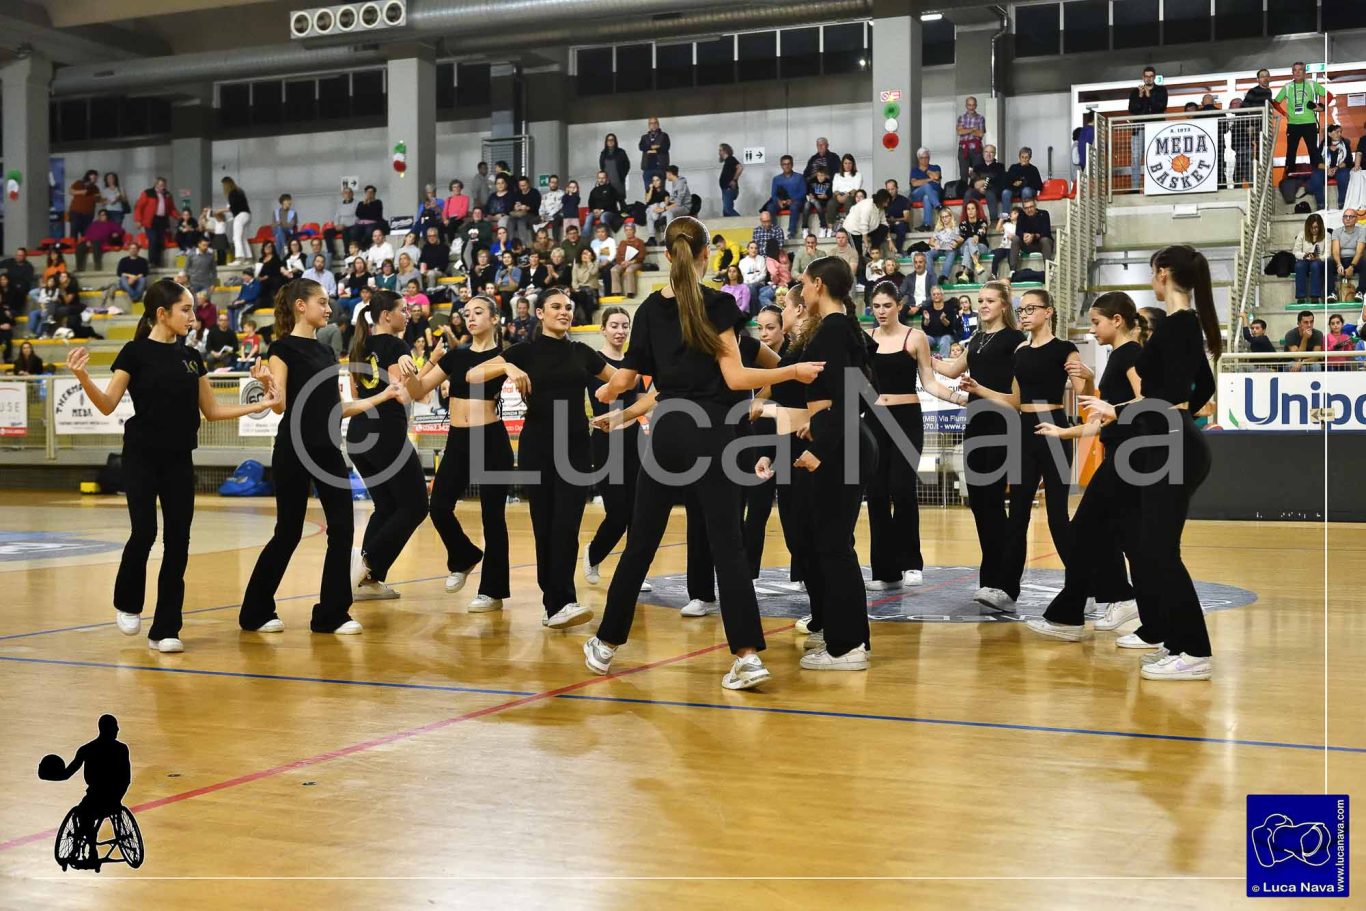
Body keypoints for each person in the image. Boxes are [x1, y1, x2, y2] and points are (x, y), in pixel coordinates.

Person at [584, 216, 823, 689]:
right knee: (728, 546)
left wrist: (608, 394)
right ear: (704, 255)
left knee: (641, 542)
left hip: (669, 432)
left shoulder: (649, 309)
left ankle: (606, 644)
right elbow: (736, 379)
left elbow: (625, 380)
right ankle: (747, 656)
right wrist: (791, 373)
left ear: (667, 253)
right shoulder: (718, 303)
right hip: (715, 432)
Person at [1028, 245, 1219, 681]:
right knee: (1151, 548)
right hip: (1166, 440)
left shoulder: (1178, 325)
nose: (1152, 280)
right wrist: (1163, 413)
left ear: (1163, 273)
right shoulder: (1183, 324)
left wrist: (1119, 411)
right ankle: (1174, 641)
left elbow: (1166, 395)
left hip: (1169, 444)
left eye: (1153, 272)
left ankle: (1194, 651)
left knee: (1160, 551)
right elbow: (1199, 389)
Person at [67, 279, 275, 651]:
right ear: (162, 314)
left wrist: (258, 405)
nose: (193, 318)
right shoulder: (134, 352)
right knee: (144, 532)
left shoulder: (192, 356)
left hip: (179, 459)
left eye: (193, 310)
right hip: (141, 457)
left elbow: (211, 411)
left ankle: (165, 629)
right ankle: (128, 602)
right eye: (186, 310)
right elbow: (108, 404)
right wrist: (83, 377)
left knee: (178, 541)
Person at [240, 278, 402, 636]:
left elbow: (337, 408)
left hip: (328, 450)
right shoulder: (281, 349)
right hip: (294, 449)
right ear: (301, 305)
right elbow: (279, 405)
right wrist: (266, 383)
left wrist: (383, 396)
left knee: (343, 529)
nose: (329, 309)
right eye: (323, 302)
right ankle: (255, 611)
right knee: (288, 532)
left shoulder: (327, 352)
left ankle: (332, 614)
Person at [463, 288, 614, 628]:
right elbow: (472, 375)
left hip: (576, 447)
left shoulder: (581, 352)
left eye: (568, 307)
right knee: (543, 526)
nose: (564, 312)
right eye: (556, 307)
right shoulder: (523, 352)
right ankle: (553, 603)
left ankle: (563, 601)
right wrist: (508, 366)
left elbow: (619, 380)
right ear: (540, 313)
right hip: (538, 446)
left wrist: (616, 401)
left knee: (567, 526)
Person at [959, 288, 1089, 610]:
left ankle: (1082, 586)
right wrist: (980, 389)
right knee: (1017, 516)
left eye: (1032, 309)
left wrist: (1088, 376)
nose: (1025, 314)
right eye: (1022, 310)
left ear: (1048, 311)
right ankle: (1006, 591)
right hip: (1023, 432)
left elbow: (1083, 390)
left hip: (1054, 429)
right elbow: (1015, 400)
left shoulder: (1065, 349)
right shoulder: (1020, 352)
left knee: (1058, 516)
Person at [1030, 292, 1144, 633]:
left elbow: (1148, 400)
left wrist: (1115, 409)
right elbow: (1101, 419)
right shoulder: (1118, 356)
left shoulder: (1131, 354)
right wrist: (1064, 432)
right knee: (1107, 534)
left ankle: (1074, 615)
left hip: (1129, 456)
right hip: (1119, 453)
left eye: (1096, 322)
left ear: (1117, 320)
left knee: (1083, 531)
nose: (1092, 330)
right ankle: (1120, 599)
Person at [402, 298, 514, 611]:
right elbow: (417, 391)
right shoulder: (456, 355)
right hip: (458, 439)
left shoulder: (504, 355)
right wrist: (413, 368)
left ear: (494, 318)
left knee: (493, 517)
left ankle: (492, 592)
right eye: (467, 314)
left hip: (491, 438)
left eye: (478, 312)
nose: (471, 318)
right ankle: (464, 556)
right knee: (438, 506)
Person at [929, 281, 1023, 609]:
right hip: (976, 425)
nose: (983, 305)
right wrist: (921, 353)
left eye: (990, 300)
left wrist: (980, 390)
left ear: (1004, 305)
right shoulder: (978, 340)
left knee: (993, 502)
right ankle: (990, 579)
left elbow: (1016, 397)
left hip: (1002, 426)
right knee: (980, 504)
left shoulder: (1015, 340)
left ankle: (1004, 583)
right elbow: (951, 369)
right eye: (980, 300)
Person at [864, 282, 958, 591]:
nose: (881, 311)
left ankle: (911, 563)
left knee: (901, 488)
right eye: (876, 306)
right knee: (876, 493)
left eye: (887, 305)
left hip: (906, 420)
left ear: (899, 306)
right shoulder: (867, 338)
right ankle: (885, 571)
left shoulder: (915, 337)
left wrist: (960, 399)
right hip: (875, 419)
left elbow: (929, 382)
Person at [346, 289, 427, 603]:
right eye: (403, 310)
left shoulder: (359, 346)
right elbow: (407, 395)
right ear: (386, 315)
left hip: (358, 436)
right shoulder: (396, 346)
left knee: (387, 506)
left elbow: (356, 396)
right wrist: (427, 369)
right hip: (386, 435)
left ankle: (368, 580)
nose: (407, 315)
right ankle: (365, 566)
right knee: (416, 506)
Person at [582, 306, 653, 590]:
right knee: (618, 513)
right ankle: (593, 553)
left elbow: (641, 400)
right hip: (604, 442)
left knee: (639, 512)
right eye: (614, 325)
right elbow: (595, 398)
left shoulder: (635, 362)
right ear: (602, 329)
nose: (620, 331)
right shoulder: (593, 361)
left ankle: (634, 574)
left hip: (635, 439)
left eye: (625, 325)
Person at [48, 715, 130, 868]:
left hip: (95, 795)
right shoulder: (121, 749)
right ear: (109, 729)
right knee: (86, 814)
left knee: (83, 815)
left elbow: (66, 774)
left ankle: (90, 847)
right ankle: (90, 848)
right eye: (115, 727)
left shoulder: (87, 749)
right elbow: (126, 779)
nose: (118, 729)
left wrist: (50, 775)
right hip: (112, 795)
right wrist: (118, 798)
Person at [1273, 61, 1332, 175]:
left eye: (1300, 70)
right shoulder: (1287, 86)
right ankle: (1288, 175)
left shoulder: (1311, 84)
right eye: (1295, 70)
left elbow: (1329, 95)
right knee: (1291, 150)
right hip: (1293, 124)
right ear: (1292, 72)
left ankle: (1318, 174)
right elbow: (1275, 102)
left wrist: (1322, 107)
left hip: (1309, 123)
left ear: (1305, 72)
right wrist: (1284, 113)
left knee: (1313, 150)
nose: (1297, 72)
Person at [1127, 66, 1169, 187]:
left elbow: (1161, 107)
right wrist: (1140, 96)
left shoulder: (1161, 90)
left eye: (1151, 76)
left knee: (1155, 157)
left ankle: (1154, 186)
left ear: (1154, 77)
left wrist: (1149, 95)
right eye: (1146, 76)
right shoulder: (1135, 92)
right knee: (1136, 158)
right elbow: (1132, 109)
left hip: (1155, 129)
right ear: (1143, 77)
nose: (1149, 78)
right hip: (1138, 129)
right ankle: (1135, 188)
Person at [133, 177, 175, 268]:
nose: (162, 187)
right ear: (156, 184)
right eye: (160, 185)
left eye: (164, 185)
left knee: (160, 241)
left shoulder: (167, 195)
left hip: (162, 221)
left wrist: (180, 217)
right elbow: (139, 207)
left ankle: (158, 262)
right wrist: (138, 220)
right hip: (150, 221)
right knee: (153, 240)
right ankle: (151, 262)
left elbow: (172, 209)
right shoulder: (148, 193)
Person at [1309, 124, 1352, 211]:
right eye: (1337, 132)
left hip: (1339, 168)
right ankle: (1321, 205)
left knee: (1343, 175)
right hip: (1325, 169)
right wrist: (1327, 169)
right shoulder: (1323, 145)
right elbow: (1317, 162)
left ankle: (1342, 204)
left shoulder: (1345, 144)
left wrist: (1336, 168)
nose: (1339, 134)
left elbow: (1349, 161)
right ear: (1329, 134)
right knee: (1316, 177)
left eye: (1340, 132)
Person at [765, 155, 809, 238]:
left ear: (792, 164)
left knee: (794, 207)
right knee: (770, 207)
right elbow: (773, 194)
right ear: (781, 165)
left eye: (788, 164)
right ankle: (774, 231)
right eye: (784, 164)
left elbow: (803, 192)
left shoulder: (799, 177)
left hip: (796, 202)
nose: (787, 166)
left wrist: (792, 200)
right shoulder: (776, 179)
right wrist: (779, 201)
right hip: (782, 202)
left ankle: (792, 232)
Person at [843, 189, 891, 264]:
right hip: (853, 229)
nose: (886, 205)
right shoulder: (868, 207)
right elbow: (863, 225)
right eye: (886, 202)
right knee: (858, 255)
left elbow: (884, 223)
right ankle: (861, 267)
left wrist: (890, 240)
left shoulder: (880, 208)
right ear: (881, 200)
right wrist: (866, 244)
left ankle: (871, 253)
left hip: (868, 229)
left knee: (883, 228)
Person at [1329, 208, 1364, 303]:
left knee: (1364, 262)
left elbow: (1359, 252)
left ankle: (1360, 291)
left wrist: (1352, 267)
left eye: (1351, 216)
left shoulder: (1362, 231)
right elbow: (1335, 251)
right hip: (1341, 260)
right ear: (1342, 219)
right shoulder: (1336, 232)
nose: (1347, 219)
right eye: (1345, 216)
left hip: (1355, 260)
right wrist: (1339, 264)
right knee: (1328, 262)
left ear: (1356, 219)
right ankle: (1331, 293)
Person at [1010, 198, 1054, 271]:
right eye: (1026, 208)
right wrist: (1024, 235)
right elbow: (1018, 231)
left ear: (1035, 206)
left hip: (1041, 244)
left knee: (1045, 240)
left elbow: (1046, 232)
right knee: (1015, 239)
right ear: (1023, 209)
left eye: (1031, 207)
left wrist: (1033, 236)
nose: (1029, 210)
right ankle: (1012, 271)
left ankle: (1048, 271)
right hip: (1027, 244)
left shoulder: (1044, 214)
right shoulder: (1021, 215)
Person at [217, 177, 252, 266]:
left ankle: (239, 258)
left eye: (223, 185)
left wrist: (220, 210)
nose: (223, 187)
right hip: (247, 215)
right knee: (243, 237)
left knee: (236, 237)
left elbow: (232, 207)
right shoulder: (239, 191)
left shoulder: (232, 193)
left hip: (240, 216)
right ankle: (248, 258)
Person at [926, 207, 963, 288]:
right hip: (940, 248)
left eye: (946, 216)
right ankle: (930, 276)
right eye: (942, 217)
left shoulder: (955, 228)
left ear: (950, 217)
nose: (944, 219)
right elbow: (930, 242)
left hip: (950, 249)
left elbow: (960, 239)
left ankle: (943, 276)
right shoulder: (939, 229)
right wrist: (935, 245)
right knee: (928, 254)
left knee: (952, 253)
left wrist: (956, 242)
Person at [1294, 214, 1327, 304]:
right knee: (1299, 266)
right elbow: (1296, 252)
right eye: (1311, 228)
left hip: (1319, 261)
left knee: (1315, 265)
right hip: (1305, 259)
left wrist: (1318, 258)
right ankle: (1301, 297)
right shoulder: (1302, 234)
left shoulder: (1326, 235)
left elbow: (1328, 254)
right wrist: (1305, 255)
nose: (1314, 230)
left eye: (1316, 227)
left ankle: (1315, 296)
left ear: (1320, 226)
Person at [921, 285, 961, 357]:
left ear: (942, 295)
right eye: (934, 294)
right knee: (924, 340)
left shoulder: (949, 307)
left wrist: (943, 319)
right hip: (931, 336)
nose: (936, 296)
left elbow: (951, 326)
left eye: (938, 294)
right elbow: (924, 326)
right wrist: (926, 319)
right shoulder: (927, 308)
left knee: (944, 340)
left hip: (946, 335)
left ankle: (943, 361)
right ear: (931, 296)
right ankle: (924, 360)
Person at [908, 148, 942, 230]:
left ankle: (927, 224)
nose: (924, 160)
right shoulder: (915, 170)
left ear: (929, 158)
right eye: (922, 158)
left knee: (926, 197)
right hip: (917, 194)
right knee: (927, 186)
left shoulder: (935, 167)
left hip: (934, 193)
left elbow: (936, 177)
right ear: (918, 159)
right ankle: (938, 206)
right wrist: (930, 179)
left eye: (926, 157)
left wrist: (928, 172)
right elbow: (914, 183)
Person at [1001, 147, 1043, 212]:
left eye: (1026, 157)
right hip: (1014, 189)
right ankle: (1006, 216)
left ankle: (1027, 214)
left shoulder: (1033, 169)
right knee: (1005, 192)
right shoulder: (1014, 167)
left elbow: (1039, 185)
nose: (1024, 159)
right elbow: (1007, 181)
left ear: (1030, 158)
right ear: (1019, 157)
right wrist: (1014, 183)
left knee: (1025, 191)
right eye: (1022, 157)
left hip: (1028, 190)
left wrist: (1023, 183)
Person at [611, 223, 647, 298]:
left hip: (635, 262)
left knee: (629, 270)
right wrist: (622, 262)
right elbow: (618, 256)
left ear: (634, 231)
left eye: (630, 230)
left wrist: (631, 262)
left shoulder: (640, 242)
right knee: (614, 270)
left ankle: (630, 292)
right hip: (623, 262)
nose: (628, 232)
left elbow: (642, 256)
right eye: (626, 230)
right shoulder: (622, 242)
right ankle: (616, 291)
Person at [956, 96, 987, 182]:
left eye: (973, 105)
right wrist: (973, 129)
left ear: (976, 105)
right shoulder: (961, 118)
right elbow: (959, 132)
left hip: (976, 149)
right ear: (966, 105)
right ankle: (964, 189)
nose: (971, 107)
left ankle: (976, 189)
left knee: (977, 173)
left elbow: (980, 134)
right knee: (963, 173)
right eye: (969, 105)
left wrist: (965, 130)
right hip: (963, 149)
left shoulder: (980, 118)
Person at [638, 117, 671, 193]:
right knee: (649, 192)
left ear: (658, 124)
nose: (653, 125)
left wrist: (651, 150)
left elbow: (665, 147)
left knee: (660, 192)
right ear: (648, 125)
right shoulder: (644, 137)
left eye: (655, 123)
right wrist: (653, 147)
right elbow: (641, 147)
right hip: (647, 168)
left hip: (660, 167)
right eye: (651, 123)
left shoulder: (664, 135)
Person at [585, 171, 623, 236]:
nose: (601, 180)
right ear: (597, 179)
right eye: (599, 178)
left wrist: (602, 210)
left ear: (607, 178)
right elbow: (590, 203)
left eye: (603, 178)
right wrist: (594, 210)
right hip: (596, 212)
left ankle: (607, 238)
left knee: (603, 216)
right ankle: (584, 240)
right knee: (588, 217)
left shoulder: (612, 189)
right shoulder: (594, 190)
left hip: (609, 212)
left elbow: (612, 203)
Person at [68, 170, 100, 240]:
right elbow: (70, 191)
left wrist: (98, 197)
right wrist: (82, 192)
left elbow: (98, 200)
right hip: (76, 211)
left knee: (86, 232)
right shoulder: (79, 183)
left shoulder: (96, 188)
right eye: (93, 176)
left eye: (95, 177)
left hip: (89, 213)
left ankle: (84, 245)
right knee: (74, 230)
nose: (94, 178)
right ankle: (73, 246)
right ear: (88, 176)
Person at [599, 134, 631, 201]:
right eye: (608, 140)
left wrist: (622, 175)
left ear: (615, 141)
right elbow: (602, 166)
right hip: (607, 182)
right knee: (608, 201)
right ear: (606, 142)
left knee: (621, 201)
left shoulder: (621, 152)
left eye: (612, 140)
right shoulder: (603, 153)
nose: (610, 141)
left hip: (618, 181)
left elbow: (627, 165)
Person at [718, 143, 744, 217]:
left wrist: (734, 180)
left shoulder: (730, 159)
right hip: (726, 189)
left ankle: (742, 221)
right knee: (726, 212)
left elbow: (740, 168)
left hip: (728, 189)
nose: (719, 153)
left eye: (720, 150)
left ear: (725, 151)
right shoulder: (728, 161)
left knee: (727, 210)